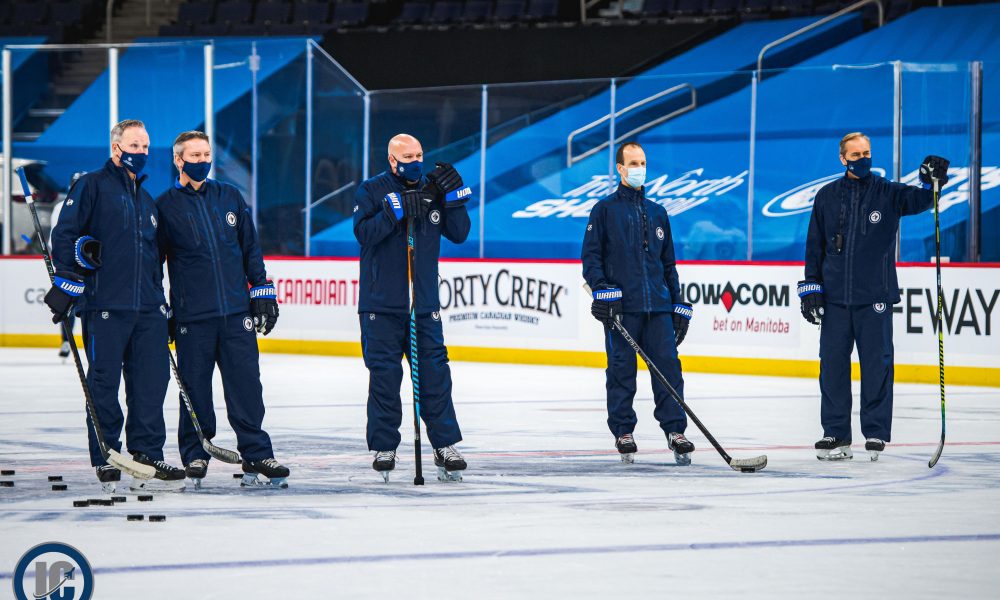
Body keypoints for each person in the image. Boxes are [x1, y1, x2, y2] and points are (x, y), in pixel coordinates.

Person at [45, 119, 183, 489]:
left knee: (151, 383)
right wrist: (69, 276)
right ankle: (107, 454)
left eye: (145, 146)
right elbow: (65, 235)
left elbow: (153, 259)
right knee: (104, 383)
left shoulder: (147, 201)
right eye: (135, 146)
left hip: (148, 309)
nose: (142, 152)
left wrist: (162, 304)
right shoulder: (91, 185)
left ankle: (147, 453)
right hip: (105, 304)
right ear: (116, 148)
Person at [799, 131, 949, 461]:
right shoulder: (826, 196)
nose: (863, 159)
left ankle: (876, 432)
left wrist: (932, 183)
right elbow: (815, 246)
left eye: (866, 153)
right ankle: (835, 433)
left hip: (875, 297)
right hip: (835, 299)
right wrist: (811, 287)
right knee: (832, 367)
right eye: (856, 155)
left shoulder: (888, 192)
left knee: (877, 365)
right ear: (843, 158)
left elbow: (922, 201)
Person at [155, 131, 288, 487]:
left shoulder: (229, 196)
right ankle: (196, 453)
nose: (202, 161)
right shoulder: (164, 206)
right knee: (194, 389)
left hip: (235, 313)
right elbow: (154, 263)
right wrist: (162, 309)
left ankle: (256, 453)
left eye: (206, 154)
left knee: (247, 387)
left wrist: (261, 290)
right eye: (194, 156)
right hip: (192, 317)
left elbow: (250, 249)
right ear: (178, 160)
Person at [352, 133, 471, 482]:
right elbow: (364, 234)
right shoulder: (371, 190)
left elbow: (460, 234)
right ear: (392, 160)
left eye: (419, 154)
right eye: (407, 157)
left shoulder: (433, 190)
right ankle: (384, 446)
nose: (416, 161)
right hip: (381, 307)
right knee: (385, 379)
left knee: (435, 376)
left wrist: (454, 200)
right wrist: (393, 212)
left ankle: (444, 445)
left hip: (424, 306)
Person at [582, 141, 695, 465]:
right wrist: (603, 291)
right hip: (622, 309)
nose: (639, 169)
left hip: (658, 307)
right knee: (621, 370)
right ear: (620, 168)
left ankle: (675, 431)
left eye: (643, 163)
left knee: (668, 369)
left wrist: (678, 303)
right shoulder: (604, 210)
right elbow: (591, 258)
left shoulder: (658, 212)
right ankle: (623, 431)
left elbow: (668, 264)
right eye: (633, 163)